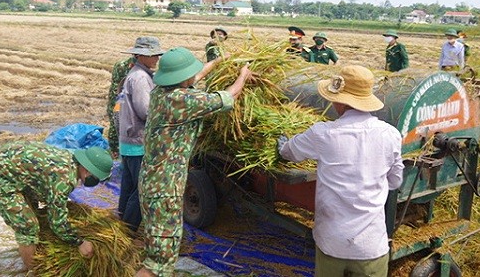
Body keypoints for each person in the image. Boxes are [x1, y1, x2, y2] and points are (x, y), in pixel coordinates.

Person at [136, 47, 253, 277]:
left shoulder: (161, 92)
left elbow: (196, 77)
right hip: (164, 187)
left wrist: (219, 60)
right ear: (182, 78)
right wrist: (243, 75)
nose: (194, 75)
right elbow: (228, 97)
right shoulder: (181, 100)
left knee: (158, 250)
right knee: (159, 261)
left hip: (154, 182)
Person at [277, 65, 404, 277]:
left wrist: (282, 144)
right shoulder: (390, 135)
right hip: (371, 245)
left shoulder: (323, 134)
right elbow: (395, 181)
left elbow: (289, 152)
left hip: (332, 243)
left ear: (339, 101)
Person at [0, 141, 113, 271]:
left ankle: (33, 249)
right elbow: (57, 222)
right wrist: (79, 242)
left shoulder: (69, 159)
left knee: (36, 213)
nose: (94, 180)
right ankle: (33, 271)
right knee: (28, 225)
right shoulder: (64, 179)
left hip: (5, 168)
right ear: (87, 169)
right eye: (95, 176)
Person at [117, 36, 164, 234]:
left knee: (129, 186)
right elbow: (146, 111)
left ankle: (120, 223)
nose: (156, 58)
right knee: (141, 189)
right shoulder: (140, 78)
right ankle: (128, 231)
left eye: (157, 54)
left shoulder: (137, 74)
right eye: (152, 55)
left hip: (128, 142)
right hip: (138, 143)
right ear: (139, 55)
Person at [107, 55, 136, 157]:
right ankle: (115, 151)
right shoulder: (133, 69)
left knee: (115, 124)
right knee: (118, 125)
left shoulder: (119, 64)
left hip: (117, 99)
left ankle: (115, 150)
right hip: (119, 100)